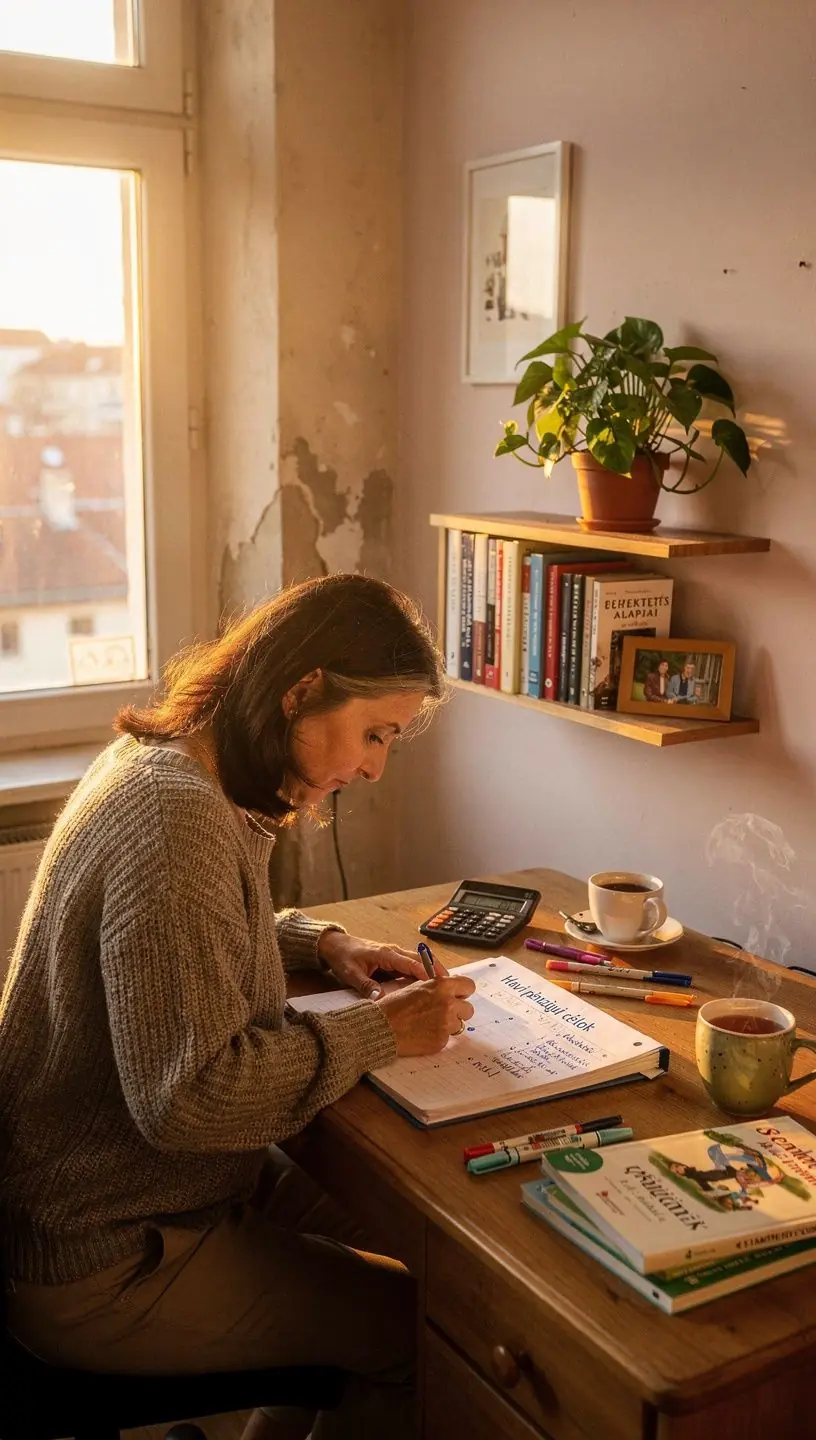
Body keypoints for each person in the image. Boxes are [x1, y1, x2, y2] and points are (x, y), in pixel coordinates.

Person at [0, 574, 476, 1440]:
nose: (373, 766)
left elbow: (173, 940)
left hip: (134, 1196)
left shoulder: (170, 760)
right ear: (302, 690)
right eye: (374, 734)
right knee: (424, 1338)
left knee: (430, 1263)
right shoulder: (178, 817)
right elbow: (189, 1097)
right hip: (102, 1249)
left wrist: (319, 944)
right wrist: (380, 1031)